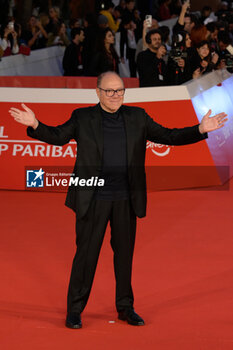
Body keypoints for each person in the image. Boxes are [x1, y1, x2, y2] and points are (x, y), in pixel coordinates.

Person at [9, 71, 227, 329]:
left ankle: (125, 307)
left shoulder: (138, 117)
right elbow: (58, 137)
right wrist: (35, 124)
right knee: (86, 256)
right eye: (110, 91)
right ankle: (75, 310)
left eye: (120, 90)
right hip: (93, 197)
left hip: (126, 198)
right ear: (98, 92)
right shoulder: (83, 117)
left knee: (124, 256)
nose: (115, 96)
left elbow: (169, 136)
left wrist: (200, 129)